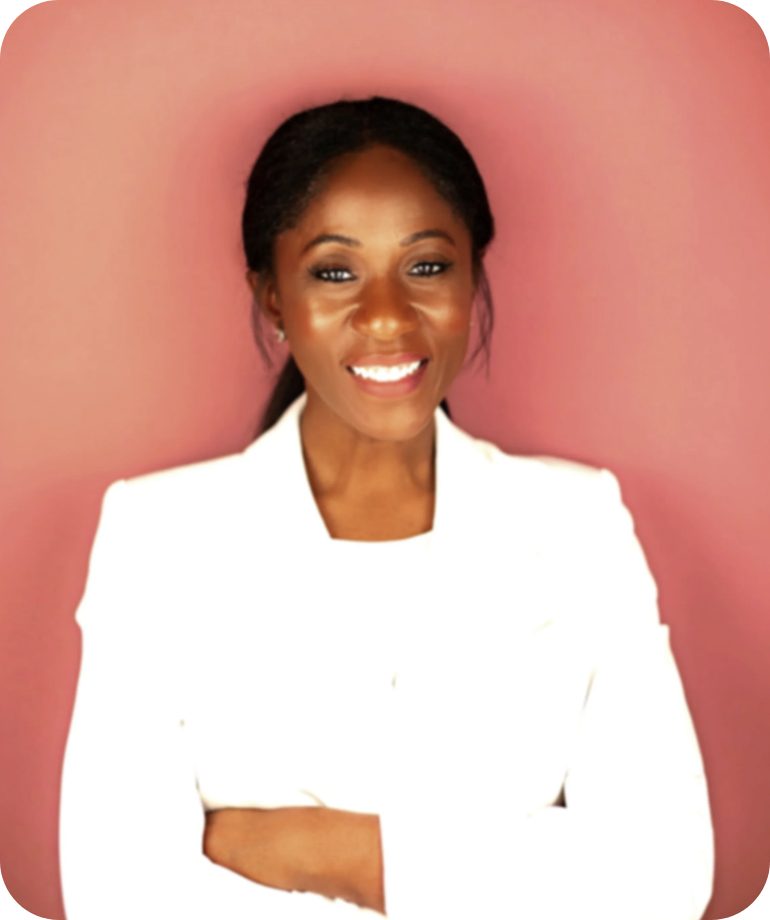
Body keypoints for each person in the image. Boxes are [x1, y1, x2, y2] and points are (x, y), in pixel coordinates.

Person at [59, 96, 715, 920]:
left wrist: (322, 854)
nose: (385, 316)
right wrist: (508, 865)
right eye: (335, 271)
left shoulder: (578, 522)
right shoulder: (156, 537)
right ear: (272, 296)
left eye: (427, 266)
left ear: (473, 276)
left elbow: (662, 878)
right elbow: (118, 895)